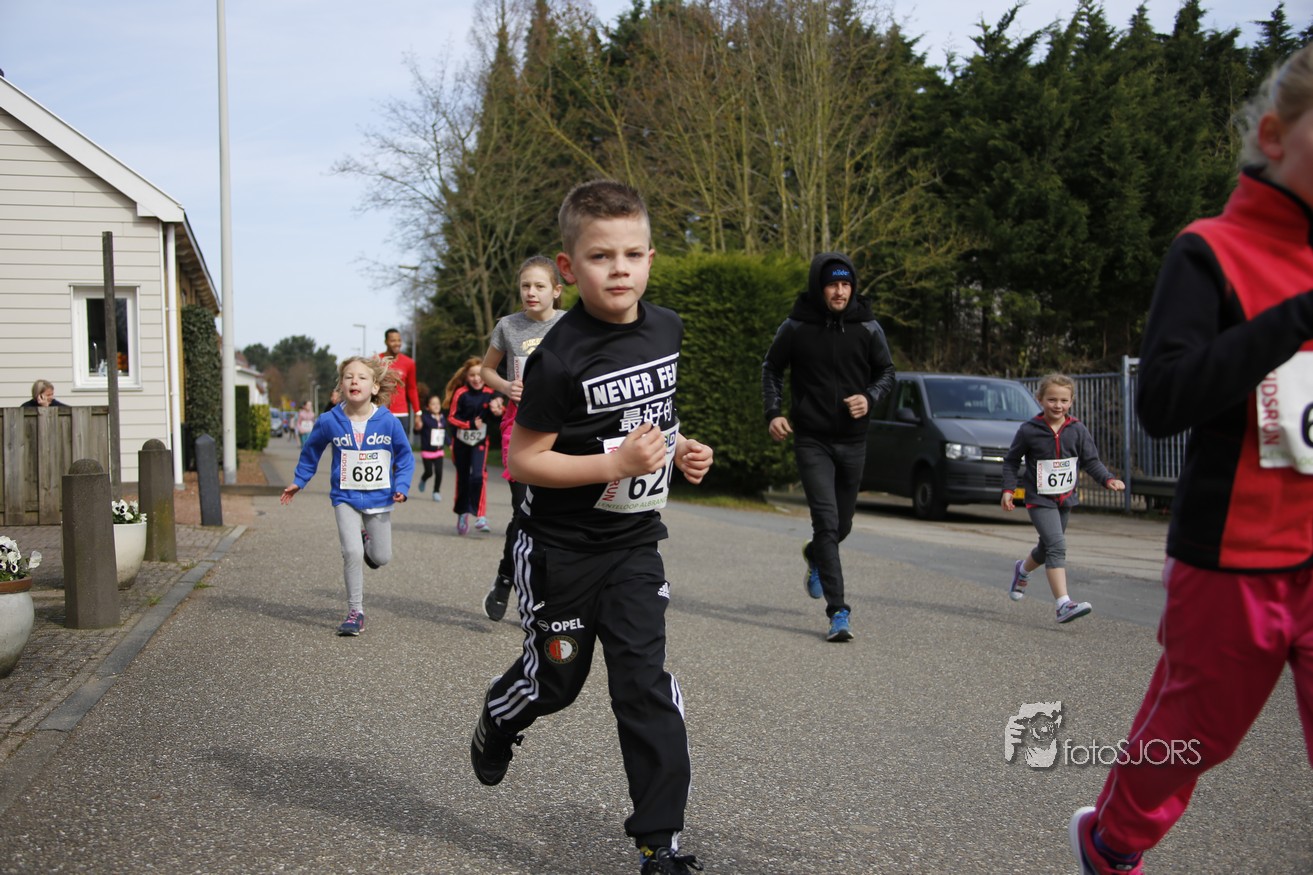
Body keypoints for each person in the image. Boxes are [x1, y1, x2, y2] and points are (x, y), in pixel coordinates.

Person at [1069, 44, 1313, 875]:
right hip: (1233, 555)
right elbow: (1163, 400)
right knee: (1192, 737)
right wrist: (1296, 317)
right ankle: (1110, 843)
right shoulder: (1209, 250)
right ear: (1274, 136)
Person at [469, 180, 713, 875]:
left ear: (651, 258)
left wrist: (680, 448)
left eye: (633, 254)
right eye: (601, 256)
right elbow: (523, 460)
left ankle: (659, 843)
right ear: (569, 267)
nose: (619, 270)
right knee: (555, 683)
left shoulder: (666, 329)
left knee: (643, 683)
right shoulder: (559, 356)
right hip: (559, 550)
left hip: (633, 543)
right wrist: (615, 463)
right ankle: (499, 716)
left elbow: (652, 418)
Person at [761, 252, 895, 642]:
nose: (840, 292)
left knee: (842, 525)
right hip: (812, 439)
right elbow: (772, 367)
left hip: (853, 440)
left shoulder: (867, 326)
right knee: (826, 521)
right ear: (819, 288)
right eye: (833, 285)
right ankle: (838, 612)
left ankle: (817, 555)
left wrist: (869, 397)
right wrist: (773, 413)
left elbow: (887, 372)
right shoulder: (796, 326)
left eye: (846, 284)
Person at [280, 356, 414, 636]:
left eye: (362, 377)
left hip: (379, 498)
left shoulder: (388, 422)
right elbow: (311, 452)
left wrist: (402, 486)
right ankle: (355, 612)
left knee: (382, 556)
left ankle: (367, 540)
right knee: (351, 552)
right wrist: (299, 481)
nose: (355, 381)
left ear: (374, 387)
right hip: (345, 497)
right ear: (341, 385)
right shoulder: (330, 420)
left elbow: (405, 456)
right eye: (348, 377)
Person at [478, 254, 566, 621]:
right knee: (524, 511)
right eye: (525, 286)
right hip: (520, 424)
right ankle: (505, 579)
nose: (531, 292)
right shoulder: (508, 326)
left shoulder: (570, 325)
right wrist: (505, 386)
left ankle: (544, 596)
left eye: (539, 286)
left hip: (562, 425)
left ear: (556, 291)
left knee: (555, 515)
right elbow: (485, 369)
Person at [1000, 374, 1125, 624]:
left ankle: (1022, 570)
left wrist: (1107, 479)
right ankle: (1063, 604)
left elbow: (1091, 461)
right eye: (1052, 400)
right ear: (1040, 399)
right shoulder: (1029, 430)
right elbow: (1011, 461)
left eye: (1064, 401)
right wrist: (1008, 490)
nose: (1058, 405)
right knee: (1057, 546)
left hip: (1065, 499)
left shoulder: (1077, 429)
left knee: (1046, 548)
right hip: (1039, 500)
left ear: (1071, 401)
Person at [444, 357, 499, 535]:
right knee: (463, 478)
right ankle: (463, 513)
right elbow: (451, 418)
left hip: (480, 442)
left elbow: (498, 416)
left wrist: (498, 411)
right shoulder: (460, 393)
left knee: (478, 476)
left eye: (480, 374)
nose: (476, 379)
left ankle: (480, 516)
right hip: (461, 443)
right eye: (472, 375)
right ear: (466, 377)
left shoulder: (490, 393)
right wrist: (469, 424)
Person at [378, 328, 422, 433]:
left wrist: (417, 413)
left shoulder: (409, 363)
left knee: (400, 443)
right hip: (381, 412)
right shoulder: (377, 361)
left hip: (401, 413)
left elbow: (412, 389)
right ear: (386, 342)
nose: (397, 344)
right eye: (393, 341)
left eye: (399, 340)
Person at [415, 393, 447, 502]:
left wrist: (450, 444)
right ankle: (423, 479)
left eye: (438, 403)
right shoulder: (425, 418)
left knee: (439, 472)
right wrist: (417, 427)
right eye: (433, 404)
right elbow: (417, 430)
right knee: (429, 472)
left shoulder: (442, 418)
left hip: (439, 451)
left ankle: (436, 491)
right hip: (427, 451)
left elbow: (444, 433)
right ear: (428, 407)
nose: (436, 406)